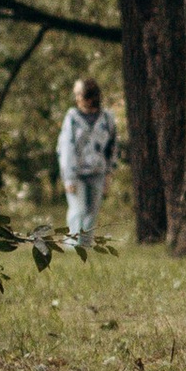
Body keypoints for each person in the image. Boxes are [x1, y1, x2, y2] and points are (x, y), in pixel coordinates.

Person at [57, 76, 120, 253]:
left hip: (98, 172)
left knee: (92, 212)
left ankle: (84, 247)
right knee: (78, 210)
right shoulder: (72, 118)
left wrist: (109, 174)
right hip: (76, 173)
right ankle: (72, 247)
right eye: (76, 94)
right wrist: (68, 178)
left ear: (91, 97)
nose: (77, 98)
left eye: (80, 94)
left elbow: (112, 147)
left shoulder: (106, 118)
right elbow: (66, 148)